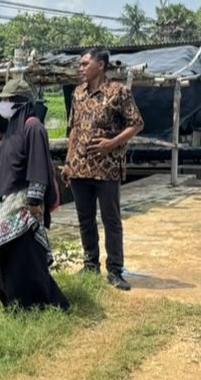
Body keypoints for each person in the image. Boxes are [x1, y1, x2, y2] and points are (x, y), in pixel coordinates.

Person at [62, 47, 144, 290]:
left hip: (106, 169)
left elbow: (137, 123)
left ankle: (115, 270)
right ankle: (90, 265)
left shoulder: (117, 91)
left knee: (111, 220)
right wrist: (67, 163)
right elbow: (74, 130)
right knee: (85, 219)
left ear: (101, 65)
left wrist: (112, 143)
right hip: (79, 168)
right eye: (81, 64)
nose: (81, 67)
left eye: (85, 63)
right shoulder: (78, 93)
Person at [0, 78, 70, 311]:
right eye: (2, 99)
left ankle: (40, 304)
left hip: (22, 204)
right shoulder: (12, 126)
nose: (3, 104)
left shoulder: (33, 126)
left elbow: (38, 164)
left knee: (27, 258)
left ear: (21, 102)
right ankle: (14, 304)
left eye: (8, 100)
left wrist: (34, 200)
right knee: (10, 257)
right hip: (5, 201)